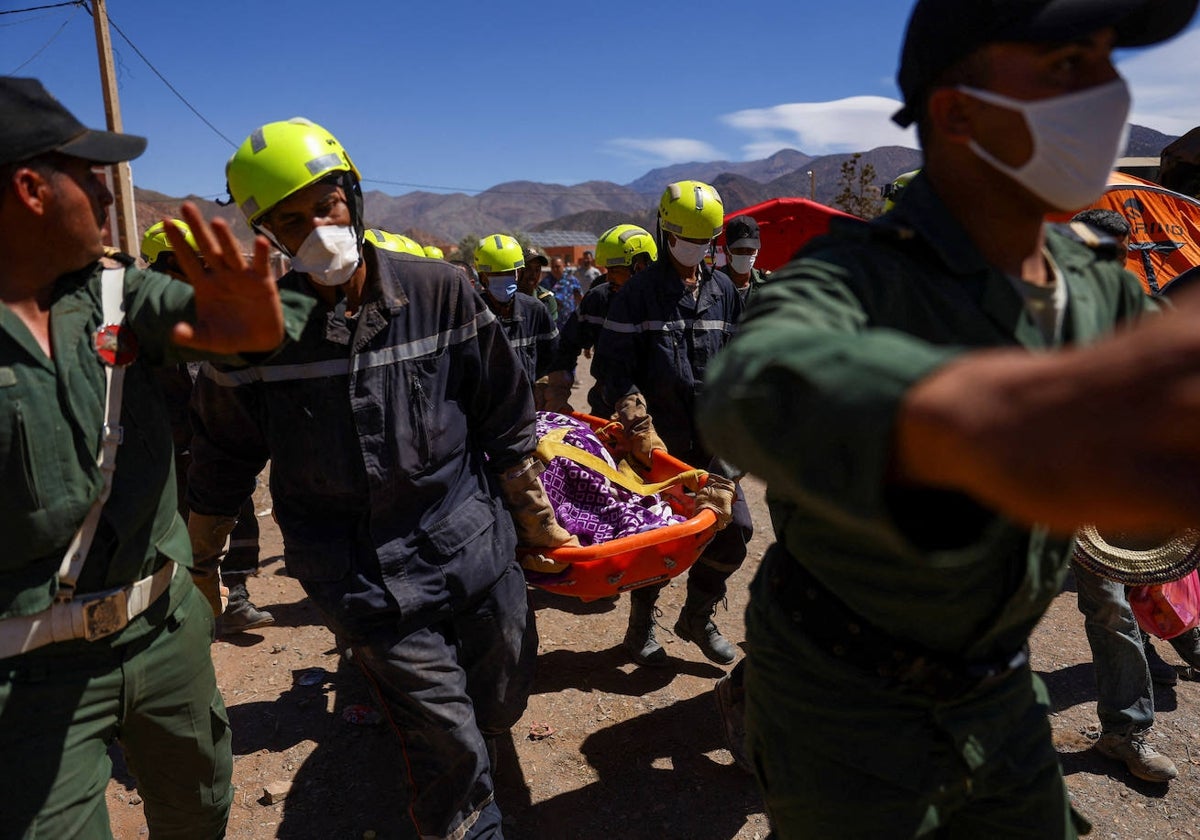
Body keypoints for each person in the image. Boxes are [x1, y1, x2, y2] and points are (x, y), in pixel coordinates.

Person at [697, 0, 1199, 835]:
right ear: (958, 111)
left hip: (995, 687)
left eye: (1109, 63)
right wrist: (984, 420)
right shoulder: (854, 275)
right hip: (842, 702)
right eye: (1068, 69)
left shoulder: (1093, 282)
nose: (1110, 93)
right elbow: (755, 384)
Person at [187, 117, 576, 840]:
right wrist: (202, 561)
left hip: (473, 545)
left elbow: (503, 413)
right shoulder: (253, 331)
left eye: (325, 206)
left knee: (497, 700)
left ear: (354, 199)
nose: (316, 230)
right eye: (290, 221)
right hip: (358, 574)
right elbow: (220, 455)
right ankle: (461, 819)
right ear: (268, 236)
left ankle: (478, 737)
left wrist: (534, 519)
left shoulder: (443, 292)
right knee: (449, 746)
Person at [0, 76, 293, 838]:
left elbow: (234, 323)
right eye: (90, 175)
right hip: (20, 684)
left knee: (199, 805)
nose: (108, 195)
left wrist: (252, 325)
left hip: (162, 630)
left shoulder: (116, 295)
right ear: (32, 188)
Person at [593, 181, 744, 667]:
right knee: (655, 542)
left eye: (706, 241)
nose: (696, 250)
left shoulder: (723, 292)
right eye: (688, 238)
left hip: (714, 440)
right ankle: (640, 631)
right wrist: (635, 417)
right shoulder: (637, 294)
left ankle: (696, 616)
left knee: (733, 532)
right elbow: (612, 368)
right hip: (660, 446)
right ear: (664, 231)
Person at [141, 220, 275, 636]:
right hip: (166, 454)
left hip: (214, 446)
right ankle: (182, 614)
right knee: (174, 535)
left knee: (238, 517)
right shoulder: (137, 319)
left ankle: (233, 597)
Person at [546, 223, 658, 416]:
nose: (608, 278)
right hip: (606, 411)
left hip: (655, 415)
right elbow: (566, 346)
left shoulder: (665, 304)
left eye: (614, 271)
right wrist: (557, 390)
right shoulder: (598, 299)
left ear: (639, 267)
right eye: (607, 270)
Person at [474, 233, 560, 395]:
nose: (504, 279)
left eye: (508, 273)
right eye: (496, 274)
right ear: (482, 277)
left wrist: (542, 385)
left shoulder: (535, 309)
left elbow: (553, 356)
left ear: (517, 274)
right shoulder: (470, 313)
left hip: (526, 404)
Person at [722, 215, 768, 306]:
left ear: (757, 251)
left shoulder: (768, 285)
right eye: (739, 250)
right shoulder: (712, 284)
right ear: (726, 250)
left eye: (750, 250)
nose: (745, 254)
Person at [518, 245, 558, 323]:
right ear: (519, 270)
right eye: (528, 268)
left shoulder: (547, 300)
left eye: (537, 269)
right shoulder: (506, 298)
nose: (533, 274)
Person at [546, 255, 582, 328]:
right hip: (554, 323)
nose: (555, 269)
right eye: (553, 267)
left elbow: (579, 298)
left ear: (563, 266)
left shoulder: (572, 280)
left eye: (558, 266)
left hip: (571, 320)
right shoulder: (546, 283)